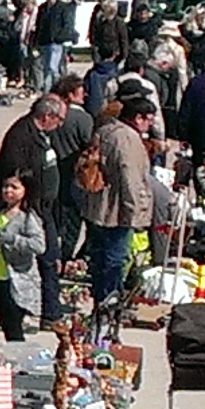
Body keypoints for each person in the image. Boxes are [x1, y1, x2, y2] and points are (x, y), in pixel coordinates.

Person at [0, 93, 69, 322]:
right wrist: (24, 205)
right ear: (47, 116)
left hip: (44, 207)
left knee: (49, 259)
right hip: (29, 209)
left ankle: (48, 309)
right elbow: (16, 175)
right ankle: (34, 311)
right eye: (59, 119)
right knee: (37, 259)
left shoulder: (41, 135)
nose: (60, 124)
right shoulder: (22, 135)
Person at [85, 97, 155, 303]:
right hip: (116, 210)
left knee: (99, 259)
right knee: (115, 260)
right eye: (148, 119)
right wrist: (135, 211)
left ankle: (101, 299)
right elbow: (130, 176)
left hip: (97, 206)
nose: (150, 124)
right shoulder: (128, 139)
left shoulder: (105, 130)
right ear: (137, 118)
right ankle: (109, 302)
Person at [0, 172, 48, 342]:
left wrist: (12, 239)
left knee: (13, 326)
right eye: (5, 186)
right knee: (7, 323)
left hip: (16, 278)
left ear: (25, 191)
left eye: (14, 187)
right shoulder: (0, 213)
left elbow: (39, 246)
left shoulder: (28, 218)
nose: (8, 191)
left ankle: (19, 360)